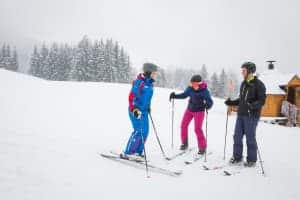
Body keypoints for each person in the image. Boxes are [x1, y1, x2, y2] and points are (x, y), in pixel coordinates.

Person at [225, 62, 266, 167]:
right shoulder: (243, 84)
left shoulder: (259, 85)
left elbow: (262, 101)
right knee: (237, 136)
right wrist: (231, 102)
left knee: (250, 138)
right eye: (242, 71)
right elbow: (241, 100)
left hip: (251, 116)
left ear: (250, 71)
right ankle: (237, 157)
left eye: (244, 71)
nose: (242, 73)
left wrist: (252, 105)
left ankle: (251, 160)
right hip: (241, 114)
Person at [169, 75, 213, 155]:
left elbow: (210, 101)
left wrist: (208, 105)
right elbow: (184, 95)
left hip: (199, 111)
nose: (192, 85)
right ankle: (184, 143)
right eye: (191, 83)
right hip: (189, 109)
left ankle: (202, 147)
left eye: (193, 83)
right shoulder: (190, 88)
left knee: (197, 129)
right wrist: (175, 96)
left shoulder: (204, 91)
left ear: (198, 83)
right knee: (183, 125)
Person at [122, 63, 158, 159]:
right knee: (138, 131)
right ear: (148, 72)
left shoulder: (150, 84)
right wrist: (134, 109)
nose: (155, 75)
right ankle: (128, 152)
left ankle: (138, 152)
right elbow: (132, 96)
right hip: (135, 110)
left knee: (145, 132)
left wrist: (148, 107)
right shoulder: (139, 82)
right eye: (153, 73)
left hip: (144, 111)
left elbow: (147, 98)